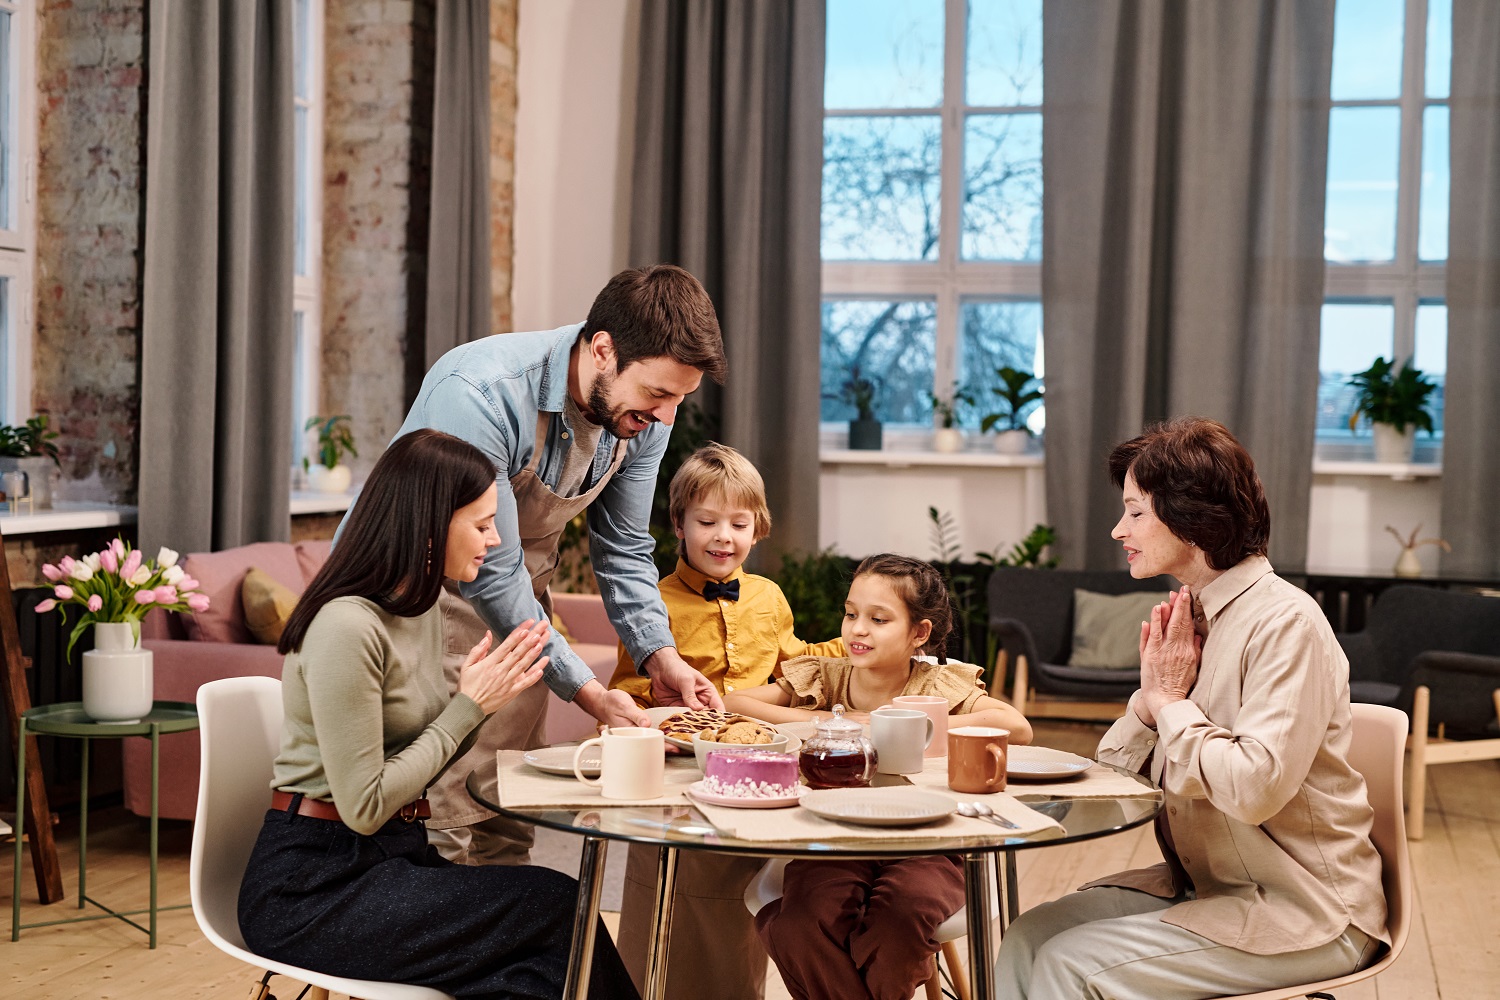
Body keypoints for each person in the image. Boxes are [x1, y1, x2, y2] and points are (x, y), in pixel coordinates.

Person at [993, 417, 1388, 999]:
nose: (1116, 529)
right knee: (1030, 936)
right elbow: (1116, 773)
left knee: (1072, 963)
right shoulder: (1192, 617)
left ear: (1191, 514)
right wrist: (1153, 708)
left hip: (1311, 911)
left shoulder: (1287, 622)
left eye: (1135, 511)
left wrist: (1171, 704)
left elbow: (1254, 790)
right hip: (1213, 887)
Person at [237, 429, 639, 1000]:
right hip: (313, 887)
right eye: (481, 524)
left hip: (390, 859)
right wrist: (469, 708)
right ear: (430, 523)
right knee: (558, 904)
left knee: (540, 976)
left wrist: (479, 705)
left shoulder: (422, 609)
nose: (496, 540)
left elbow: (417, 751)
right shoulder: (347, 626)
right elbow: (365, 805)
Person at [388, 263, 729, 864]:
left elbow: (623, 544)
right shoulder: (480, 392)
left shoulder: (641, 418)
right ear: (603, 350)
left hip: (521, 626)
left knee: (507, 815)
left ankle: (510, 950)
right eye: (658, 394)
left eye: (680, 397)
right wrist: (591, 694)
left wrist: (660, 655)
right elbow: (493, 567)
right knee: (435, 825)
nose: (669, 417)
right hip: (420, 610)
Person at [726, 553, 1032, 1000]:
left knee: (901, 919)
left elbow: (1017, 727)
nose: (857, 629)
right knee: (799, 922)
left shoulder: (935, 687)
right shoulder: (824, 677)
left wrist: (905, 721)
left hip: (928, 845)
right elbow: (737, 704)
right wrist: (838, 720)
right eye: (851, 614)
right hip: (837, 840)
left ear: (919, 633)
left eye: (879, 619)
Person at [608, 442, 846, 1000]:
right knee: (672, 895)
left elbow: (797, 663)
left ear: (758, 528)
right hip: (677, 780)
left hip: (756, 777)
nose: (723, 537)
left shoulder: (769, 596)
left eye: (738, 523)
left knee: (744, 895)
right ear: (679, 525)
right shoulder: (651, 603)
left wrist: (860, 646)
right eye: (707, 521)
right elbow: (628, 688)